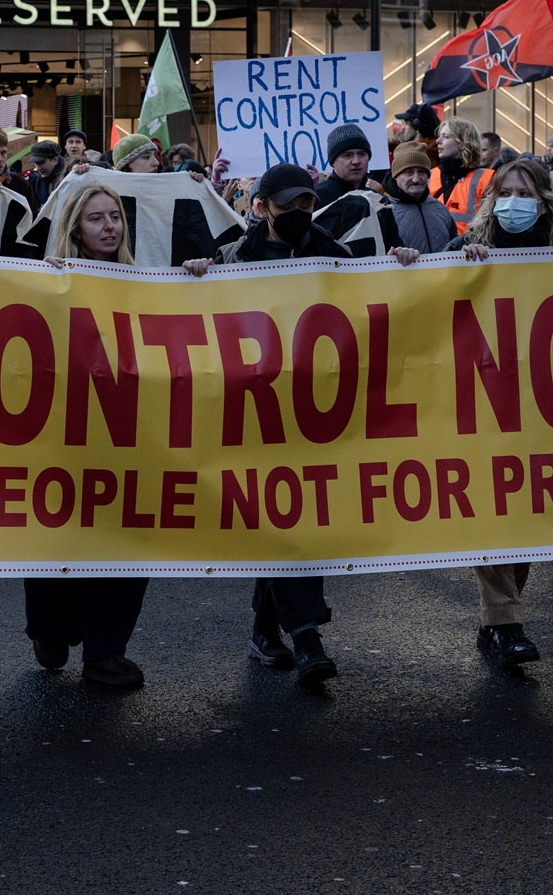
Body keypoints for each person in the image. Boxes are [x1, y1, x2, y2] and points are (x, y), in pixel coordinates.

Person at [182, 164, 352, 688]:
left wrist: (402, 267)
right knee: (283, 520)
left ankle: (264, 630)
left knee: (297, 522)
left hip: (318, 416)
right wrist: (192, 279)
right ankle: (305, 636)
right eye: (288, 205)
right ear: (262, 208)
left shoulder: (338, 257)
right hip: (257, 416)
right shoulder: (232, 260)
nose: (299, 213)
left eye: (306, 204)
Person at [443, 158, 553, 665]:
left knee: (524, 524)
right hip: (482, 412)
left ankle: (495, 622)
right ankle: (507, 626)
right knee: (494, 519)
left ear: (544, 201)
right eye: (505, 190)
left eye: (524, 192)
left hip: (537, 416)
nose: (514, 201)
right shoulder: (465, 250)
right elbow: (420, 287)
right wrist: (442, 262)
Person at [23, 180, 154, 689]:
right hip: (62, 432)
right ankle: (51, 631)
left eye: (115, 217)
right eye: (97, 218)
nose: (109, 227)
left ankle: (105, 651)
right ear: (74, 226)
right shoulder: (49, 280)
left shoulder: (145, 282)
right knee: (56, 534)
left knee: (125, 539)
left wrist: (193, 281)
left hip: (125, 433)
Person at [316, 143, 453, 258]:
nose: (416, 179)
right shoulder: (382, 206)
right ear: (396, 176)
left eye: (421, 172)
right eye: (409, 172)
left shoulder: (440, 209)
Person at [434, 117, 494, 227]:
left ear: (463, 143)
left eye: (446, 136)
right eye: (439, 136)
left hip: (468, 243)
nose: (438, 141)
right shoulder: (429, 175)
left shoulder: (487, 178)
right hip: (434, 243)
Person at [312, 123, 374, 205]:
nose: (356, 161)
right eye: (347, 155)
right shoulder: (315, 199)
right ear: (333, 161)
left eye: (361, 154)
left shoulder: (378, 200)